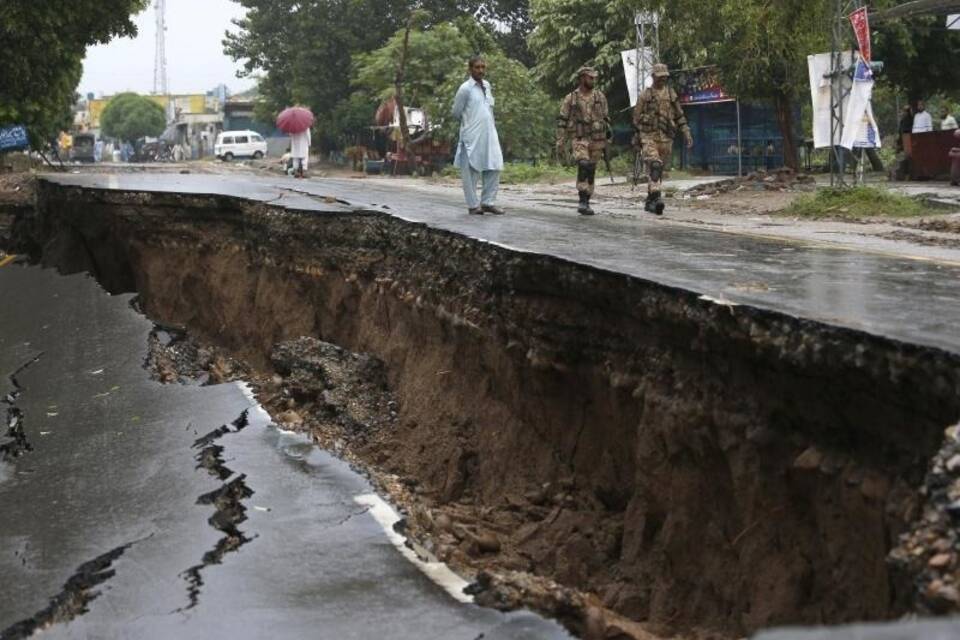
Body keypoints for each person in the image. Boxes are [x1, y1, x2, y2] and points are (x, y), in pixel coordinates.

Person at [632, 63, 693, 215]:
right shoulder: (645, 95)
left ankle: (650, 201)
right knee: (655, 166)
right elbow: (636, 118)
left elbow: (679, 116)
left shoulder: (671, 94)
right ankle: (657, 199)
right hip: (649, 137)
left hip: (666, 138)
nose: (662, 79)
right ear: (653, 77)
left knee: (657, 173)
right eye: (659, 77)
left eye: (665, 77)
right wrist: (638, 136)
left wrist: (686, 132)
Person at [452, 55, 505, 215]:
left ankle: (488, 202)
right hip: (471, 135)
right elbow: (456, 112)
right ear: (470, 69)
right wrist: (470, 124)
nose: (481, 70)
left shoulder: (487, 86)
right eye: (477, 67)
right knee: (471, 170)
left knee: (494, 166)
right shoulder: (465, 88)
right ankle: (473, 205)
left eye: (483, 67)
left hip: (489, 134)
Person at [556, 66, 610, 216]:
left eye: (594, 78)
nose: (593, 80)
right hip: (579, 138)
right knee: (583, 164)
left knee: (591, 169)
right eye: (590, 77)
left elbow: (606, 118)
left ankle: (587, 198)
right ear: (582, 78)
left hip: (597, 139)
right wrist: (560, 140)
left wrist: (607, 136)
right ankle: (582, 200)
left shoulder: (600, 97)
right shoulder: (571, 98)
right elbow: (562, 120)